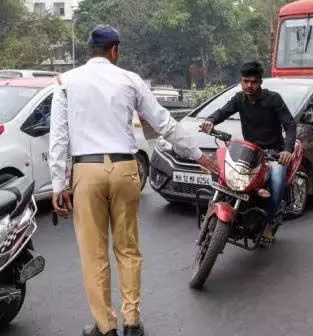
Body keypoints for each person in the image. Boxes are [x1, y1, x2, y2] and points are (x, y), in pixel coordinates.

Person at [49, 25, 213, 336]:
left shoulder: (66, 82)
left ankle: (105, 326)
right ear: (115, 50)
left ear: (91, 50)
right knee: (128, 249)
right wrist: (198, 155)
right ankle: (133, 322)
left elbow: (59, 138)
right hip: (126, 169)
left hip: (87, 170)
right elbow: (163, 122)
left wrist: (59, 184)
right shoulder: (129, 79)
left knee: (93, 253)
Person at [202, 61, 297, 242]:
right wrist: (210, 120)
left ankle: (269, 223)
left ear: (260, 82)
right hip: (249, 153)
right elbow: (223, 112)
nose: (249, 86)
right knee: (224, 177)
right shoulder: (239, 99)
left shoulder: (273, 99)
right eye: (245, 81)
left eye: (253, 82)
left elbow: (290, 125)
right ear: (241, 81)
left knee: (276, 187)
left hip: (273, 154)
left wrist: (287, 151)